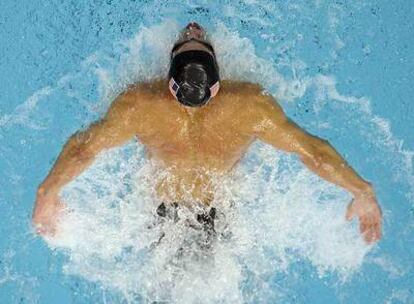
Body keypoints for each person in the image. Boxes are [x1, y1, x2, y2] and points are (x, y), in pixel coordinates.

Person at [32, 22, 382, 244]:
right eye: (196, 41)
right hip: (222, 215)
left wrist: (48, 191)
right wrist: (361, 190)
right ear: (217, 85)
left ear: (170, 84)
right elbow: (313, 153)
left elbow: (84, 149)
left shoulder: (139, 104)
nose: (193, 28)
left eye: (190, 40)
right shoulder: (250, 105)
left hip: (163, 218)